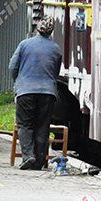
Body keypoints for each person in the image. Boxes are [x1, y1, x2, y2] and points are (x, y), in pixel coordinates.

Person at [8, 16, 63, 170]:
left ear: (37, 30)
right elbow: (55, 73)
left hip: (25, 90)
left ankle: (28, 157)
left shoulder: (24, 44)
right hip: (48, 92)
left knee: (25, 124)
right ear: (51, 33)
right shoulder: (56, 49)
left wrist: (18, 82)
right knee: (42, 125)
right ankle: (39, 161)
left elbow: (12, 67)